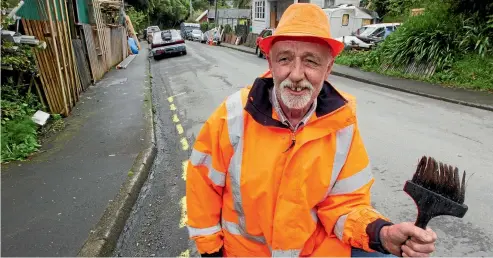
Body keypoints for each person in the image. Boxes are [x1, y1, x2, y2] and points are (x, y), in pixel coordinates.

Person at [186, 3, 437, 257]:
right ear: (271, 63)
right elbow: (202, 188)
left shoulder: (343, 125)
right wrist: (211, 252)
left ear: (328, 68)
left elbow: (345, 205)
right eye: (285, 59)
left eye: (311, 61)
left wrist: (381, 234)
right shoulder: (233, 117)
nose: (296, 74)